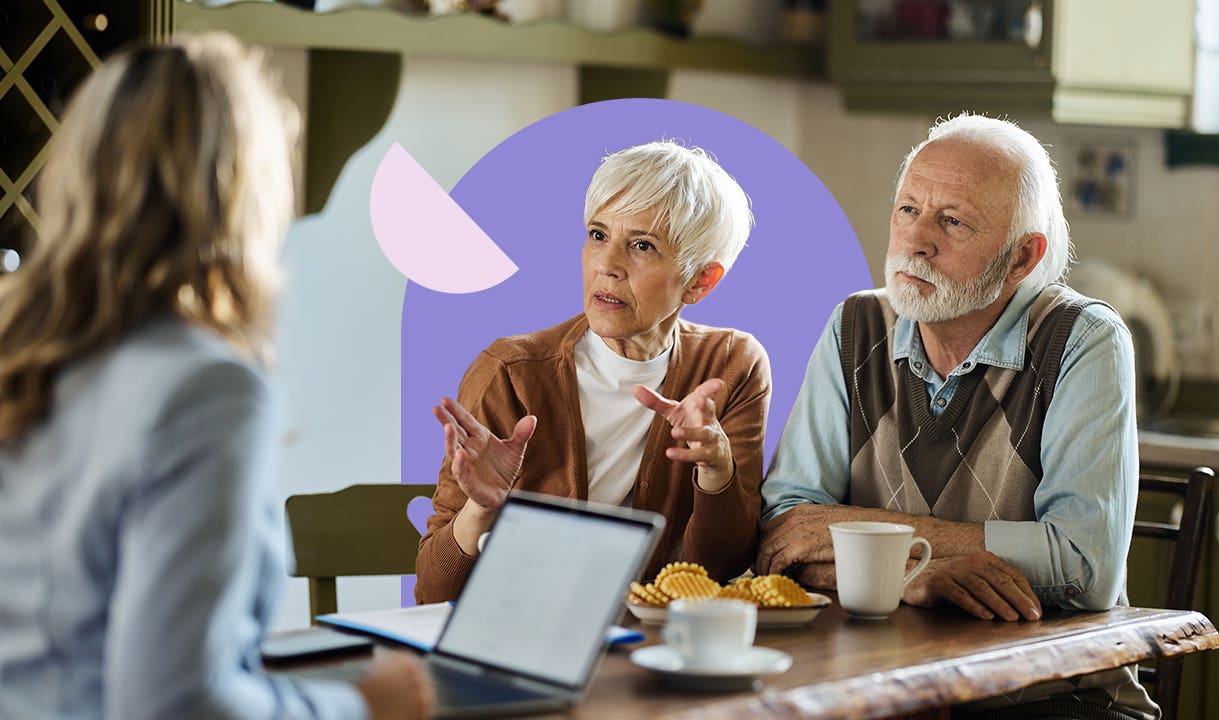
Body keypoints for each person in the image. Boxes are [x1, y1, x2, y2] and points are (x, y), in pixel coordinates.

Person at [0, 35, 433, 720]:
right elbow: (174, 703)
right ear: (243, 189)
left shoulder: (20, 350)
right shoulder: (205, 390)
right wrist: (361, 708)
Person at [756, 115, 1157, 719]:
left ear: (1022, 257)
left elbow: (1084, 565)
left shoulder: (1085, 341)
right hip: (879, 689)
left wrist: (895, 546)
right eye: (907, 209)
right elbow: (787, 532)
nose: (916, 240)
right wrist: (908, 578)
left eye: (952, 221)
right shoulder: (854, 327)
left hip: (1051, 700)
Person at [415, 141, 769, 603]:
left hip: (649, 650)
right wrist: (480, 511)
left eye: (642, 245)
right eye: (598, 235)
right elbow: (432, 593)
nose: (607, 265)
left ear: (701, 280)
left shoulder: (731, 364)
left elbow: (718, 569)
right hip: (522, 640)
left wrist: (717, 471)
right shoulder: (510, 373)